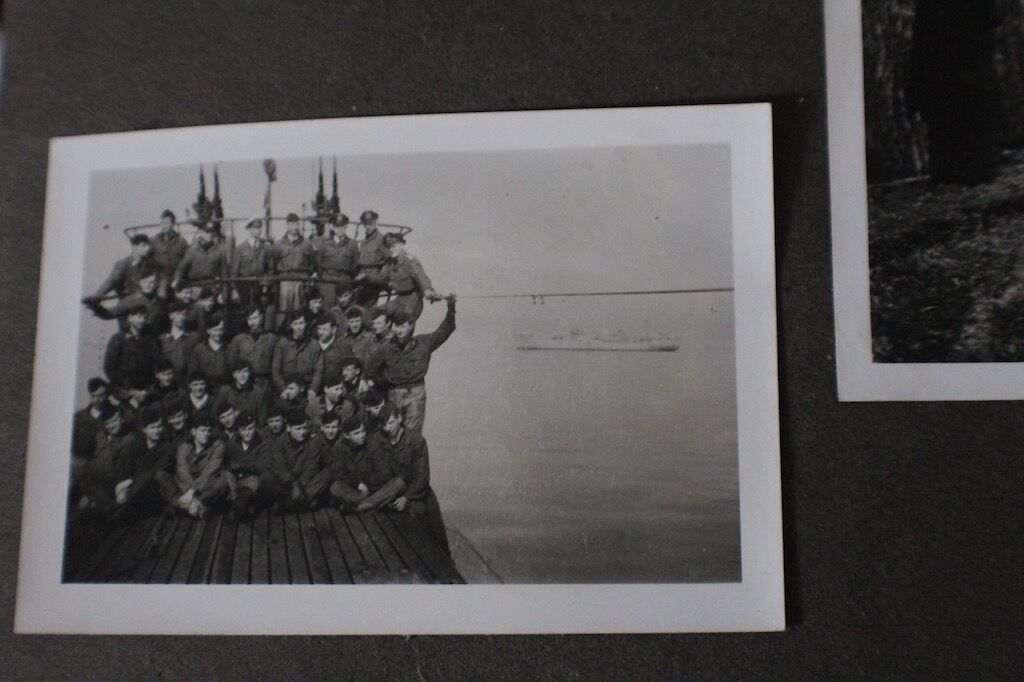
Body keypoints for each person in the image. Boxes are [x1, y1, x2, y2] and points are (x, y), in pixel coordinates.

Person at [373, 295, 456, 436]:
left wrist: (451, 309)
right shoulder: (386, 348)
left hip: (415, 393)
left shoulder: (423, 343)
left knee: (412, 435)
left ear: (411, 326)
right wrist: (385, 382)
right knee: (392, 432)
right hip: (393, 393)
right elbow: (371, 370)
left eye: (403, 327)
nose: (400, 331)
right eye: (397, 327)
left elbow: (444, 330)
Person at [377, 403, 450, 556]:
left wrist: (407, 497)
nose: (388, 428)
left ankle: (441, 557)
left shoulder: (416, 441)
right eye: (384, 425)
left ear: (399, 419)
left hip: (416, 490)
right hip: (392, 490)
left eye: (391, 423)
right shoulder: (379, 441)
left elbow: (422, 476)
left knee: (429, 522)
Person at [325, 414, 405, 513]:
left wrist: (365, 483)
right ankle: (374, 504)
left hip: (375, 488)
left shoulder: (373, 445)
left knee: (399, 483)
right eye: (357, 433)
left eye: (363, 431)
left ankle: (357, 508)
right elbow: (339, 473)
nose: (362, 435)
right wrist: (358, 483)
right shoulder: (338, 448)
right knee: (335, 487)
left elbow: (384, 474)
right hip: (355, 490)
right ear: (346, 435)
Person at [111, 406, 178, 518]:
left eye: (159, 426)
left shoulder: (168, 447)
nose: (157, 431)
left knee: (150, 478)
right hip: (134, 491)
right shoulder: (136, 446)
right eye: (152, 427)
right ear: (144, 429)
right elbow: (124, 467)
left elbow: (154, 472)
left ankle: (117, 509)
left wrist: (129, 483)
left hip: (154, 492)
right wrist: (121, 485)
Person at [259, 409, 332, 511]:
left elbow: (312, 468)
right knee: (266, 477)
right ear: (288, 428)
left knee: (327, 473)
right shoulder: (279, 443)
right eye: (298, 429)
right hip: (287, 484)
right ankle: (303, 503)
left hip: (305, 483)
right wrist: (293, 484)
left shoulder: (312, 442)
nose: (302, 432)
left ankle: (288, 504)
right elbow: (280, 467)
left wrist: (300, 485)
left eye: (304, 428)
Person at [359, 232, 440, 322]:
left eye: (394, 246)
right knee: (373, 313)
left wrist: (428, 290)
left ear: (401, 244)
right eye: (389, 247)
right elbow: (382, 278)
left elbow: (420, 277)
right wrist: (366, 277)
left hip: (412, 300)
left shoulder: (409, 260)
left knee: (403, 322)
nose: (391, 249)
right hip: (399, 299)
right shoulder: (390, 263)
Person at [172, 411, 230, 518]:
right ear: (193, 431)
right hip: (186, 486)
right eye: (203, 430)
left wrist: (192, 491)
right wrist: (189, 491)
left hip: (204, 485)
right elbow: (183, 471)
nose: (206, 434)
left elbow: (209, 472)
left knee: (222, 483)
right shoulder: (184, 447)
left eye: (208, 430)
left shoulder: (217, 446)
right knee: (161, 477)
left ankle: (187, 505)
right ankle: (194, 507)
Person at [84, 265, 167, 334]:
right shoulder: (130, 300)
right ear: (140, 283)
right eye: (145, 282)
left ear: (156, 284)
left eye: (151, 282)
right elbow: (109, 314)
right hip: (135, 340)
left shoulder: (160, 301)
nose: (148, 285)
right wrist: (96, 307)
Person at [103, 305, 159, 396]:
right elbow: (109, 367)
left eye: (144, 317)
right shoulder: (118, 339)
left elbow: (156, 364)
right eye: (139, 317)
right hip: (123, 390)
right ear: (130, 318)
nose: (142, 321)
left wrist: (148, 388)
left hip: (144, 390)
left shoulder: (151, 341)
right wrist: (126, 387)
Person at [85, 233, 155, 302]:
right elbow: (111, 281)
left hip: (145, 301)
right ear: (134, 247)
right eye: (143, 245)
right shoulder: (123, 264)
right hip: (128, 302)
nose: (147, 248)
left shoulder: (148, 264)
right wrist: (98, 295)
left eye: (148, 245)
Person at [272, 213, 317, 320]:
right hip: (285, 281)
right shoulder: (278, 245)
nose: (295, 227)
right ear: (287, 225)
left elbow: (312, 264)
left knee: (299, 310)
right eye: (292, 224)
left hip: (301, 281)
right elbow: (273, 264)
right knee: (283, 310)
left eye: (297, 224)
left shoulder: (307, 244)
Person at [227, 306, 278, 396]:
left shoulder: (272, 339)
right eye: (249, 319)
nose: (252, 322)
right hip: (244, 383)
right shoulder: (239, 339)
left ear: (262, 317)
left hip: (264, 384)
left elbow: (276, 364)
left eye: (255, 318)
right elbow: (231, 362)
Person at [271, 311, 322, 401]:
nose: (299, 327)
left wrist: (313, 389)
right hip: (286, 388)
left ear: (306, 324)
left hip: (306, 390)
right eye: (295, 324)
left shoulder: (314, 345)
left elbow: (318, 371)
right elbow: (276, 370)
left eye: (301, 323)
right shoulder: (282, 344)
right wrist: (282, 388)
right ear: (291, 325)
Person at [223, 410, 264, 519]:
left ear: (255, 428)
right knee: (225, 476)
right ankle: (237, 503)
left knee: (255, 481)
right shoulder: (232, 443)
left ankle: (239, 505)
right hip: (234, 480)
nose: (247, 433)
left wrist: (241, 465)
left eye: (250, 428)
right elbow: (227, 464)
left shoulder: (261, 442)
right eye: (243, 429)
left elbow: (261, 466)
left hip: (251, 480)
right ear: (238, 430)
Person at [316, 214, 359, 307]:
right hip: (327, 281)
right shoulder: (325, 245)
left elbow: (355, 266)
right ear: (332, 227)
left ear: (346, 226)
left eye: (342, 227)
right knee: (328, 308)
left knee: (344, 308)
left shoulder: (352, 245)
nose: (339, 229)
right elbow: (318, 265)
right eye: (337, 226)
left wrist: (349, 282)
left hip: (344, 281)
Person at [71, 378, 116, 467]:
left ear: (107, 395)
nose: (96, 399)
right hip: (84, 465)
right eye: (93, 396)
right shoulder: (79, 417)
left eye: (100, 395)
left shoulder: (115, 414)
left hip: (108, 465)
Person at [172, 227, 228, 294]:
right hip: (194, 284)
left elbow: (224, 272)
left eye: (210, 233)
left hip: (212, 285)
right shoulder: (192, 251)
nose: (209, 235)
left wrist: (224, 291)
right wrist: (176, 280)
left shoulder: (219, 251)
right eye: (206, 233)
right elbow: (181, 268)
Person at [231, 217, 273, 306]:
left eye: (260, 227)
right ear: (249, 229)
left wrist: (266, 285)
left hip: (260, 286)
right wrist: (234, 289)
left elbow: (270, 268)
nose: (259, 230)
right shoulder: (240, 249)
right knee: (245, 309)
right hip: (244, 286)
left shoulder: (265, 248)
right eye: (256, 227)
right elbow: (234, 271)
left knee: (260, 310)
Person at [187, 311, 231, 390]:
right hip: (204, 389)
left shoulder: (229, 348)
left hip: (225, 389)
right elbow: (193, 373)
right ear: (208, 331)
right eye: (215, 330)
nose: (218, 333)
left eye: (220, 330)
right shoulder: (199, 350)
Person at [312, 312, 354, 392]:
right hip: (314, 390)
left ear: (333, 330)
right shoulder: (312, 345)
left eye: (324, 329)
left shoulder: (343, 346)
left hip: (336, 389)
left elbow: (349, 370)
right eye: (319, 329)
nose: (320, 332)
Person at [159, 299, 200, 381]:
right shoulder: (163, 339)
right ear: (171, 316)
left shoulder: (194, 337)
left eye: (183, 314)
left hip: (187, 380)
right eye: (178, 314)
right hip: (168, 380)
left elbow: (196, 362)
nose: (181, 317)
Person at [217, 360, 268, 425]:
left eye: (245, 371)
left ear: (249, 373)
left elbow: (262, 420)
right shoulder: (225, 391)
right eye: (239, 372)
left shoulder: (258, 393)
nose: (242, 375)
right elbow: (215, 414)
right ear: (234, 375)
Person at [354, 210, 388, 307]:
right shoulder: (364, 241)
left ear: (375, 223)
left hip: (373, 280)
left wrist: (379, 277)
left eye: (370, 224)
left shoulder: (381, 240)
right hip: (361, 279)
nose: (368, 227)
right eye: (365, 224)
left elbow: (389, 260)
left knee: (367, 308)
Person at [150, 210, 189, 282]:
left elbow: (187, 261)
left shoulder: (181, 242)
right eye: (162, 223)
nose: (163, 226)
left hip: (177, 277)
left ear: (173, 224)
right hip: (160, 278)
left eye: (166, 223)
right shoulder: (153, 241)